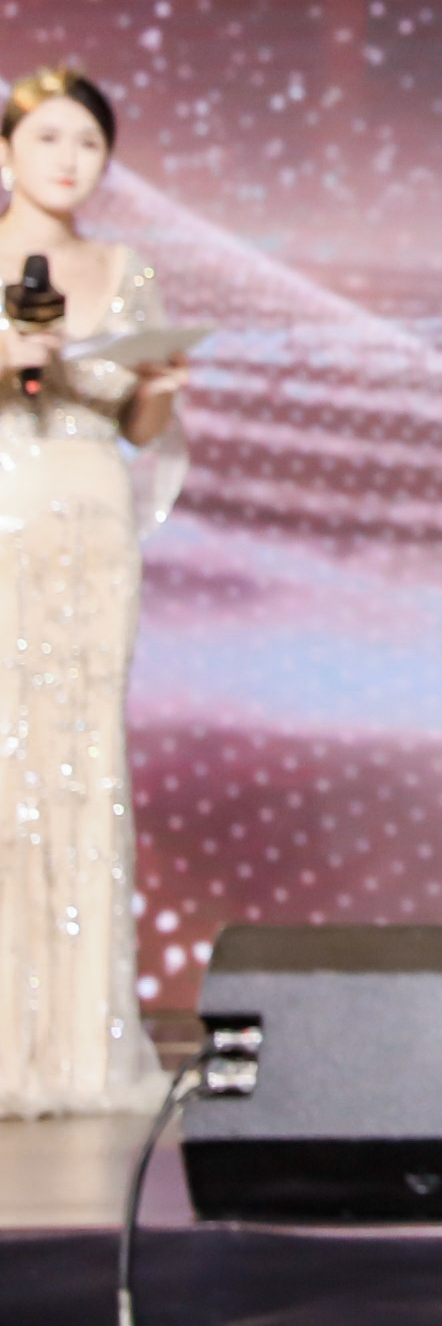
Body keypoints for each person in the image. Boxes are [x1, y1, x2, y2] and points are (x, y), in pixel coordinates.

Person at [0, 63, 191, 1117]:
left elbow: (140, 429)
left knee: (80, 766)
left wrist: (157, 389)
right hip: (5, 509)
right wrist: (14, 358)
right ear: (7, 151)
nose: (69, 160)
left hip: (93, 526)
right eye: (48, 139)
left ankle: (76, 1048)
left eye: (88, 143)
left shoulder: (124, 269)